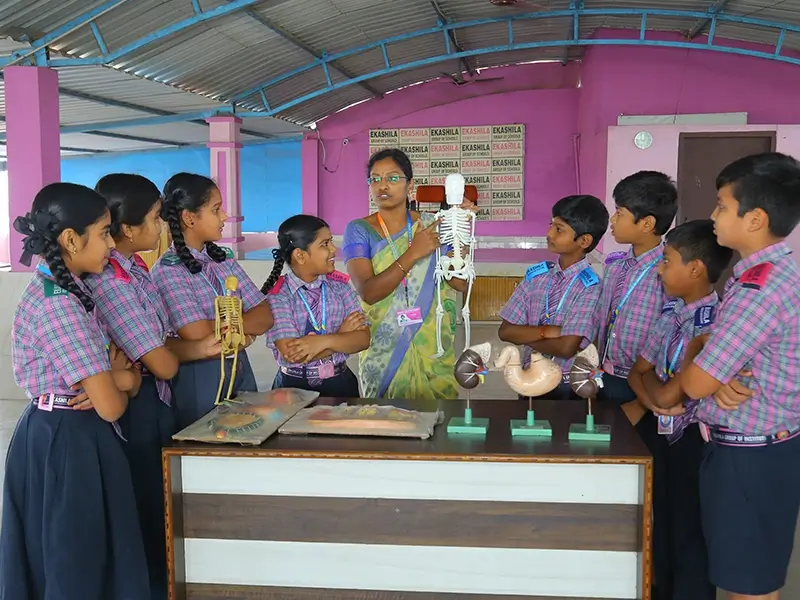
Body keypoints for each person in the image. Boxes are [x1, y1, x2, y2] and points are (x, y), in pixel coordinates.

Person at [0, 183, 150, 599]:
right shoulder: (58, 304)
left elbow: (115, 384)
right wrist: (124, 380)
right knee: (74, 554)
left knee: (89, 549)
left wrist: (122, 379)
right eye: (103, 233)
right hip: (66, 440)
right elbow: (109, 405)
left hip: (75, 433)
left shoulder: (73, 291)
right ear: (70, 239)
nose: (111, 243)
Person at [86, 173, 222, 600]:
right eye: (155, 217)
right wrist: (182, 350)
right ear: (128, 229)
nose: (163, 226)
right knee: (146, 503)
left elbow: (162, 345)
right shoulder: (110, 281)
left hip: (152, 395)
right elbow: (161, 362)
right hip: (137, 405)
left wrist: (187, 348)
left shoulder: (135, 270)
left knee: (162, 503)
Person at [678, 152, 800, 600]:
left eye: (722, 206)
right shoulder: (774, 274)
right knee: (749, 579)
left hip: (750, 460)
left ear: (755, 219)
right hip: (764, 450)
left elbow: (695, 384)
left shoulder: (757, 290)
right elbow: (722, 366)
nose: (713, 216)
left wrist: (699, 350)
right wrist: (717, 367)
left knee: (747, 588)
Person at [628, 219, 732, 600]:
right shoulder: (671, 313)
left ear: (696, 269)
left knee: (691, 534)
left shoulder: (715, 324)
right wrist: (656, 400)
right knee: (660, 524)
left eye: (667, 261)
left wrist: (660, 395)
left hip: (695, 441)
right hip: (660, 433)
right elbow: (639, 372)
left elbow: (674, 390)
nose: (660, 269)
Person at [342, 148, 470, 402]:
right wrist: (414, 252)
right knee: (384, 419)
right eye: (375, 179)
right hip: (384, 344)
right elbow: (368, 292)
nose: (382, 186)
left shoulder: (433, 225)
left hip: (432, 343)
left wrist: (460, 234)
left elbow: (459, 283)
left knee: (439, 419)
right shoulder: (359, 230)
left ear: (410, 184)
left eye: (392, 178)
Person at [152, 173, 273, 429]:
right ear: (189, 218)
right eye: (216, 209)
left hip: (239, 364)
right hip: (199, 374)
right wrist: (242, 328)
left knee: (247, 431)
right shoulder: (168, 269)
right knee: (206, 438)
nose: (225, 217)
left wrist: (227, 327)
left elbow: (264, 316)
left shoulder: (222, 259)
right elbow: (197, 333)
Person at [498, 194, 608, 399]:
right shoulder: (536, 277)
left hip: (569, 386)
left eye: (559, 229)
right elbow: (505, 331)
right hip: (529, 379)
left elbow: (566, 348)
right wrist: (548, 331)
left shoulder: (591, 287)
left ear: (584, 240)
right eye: (551, 225)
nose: (549, 233)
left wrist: (527, 338)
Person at [596, 170, 678, 419]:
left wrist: (641, 406)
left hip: (646, 385)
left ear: (647, 224)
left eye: (619, 213)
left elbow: (672, 336)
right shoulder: (615, 267)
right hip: (605, 378)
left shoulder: (668, 271)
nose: (612, 220)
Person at [262, 215, 370, 397]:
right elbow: (293, 355)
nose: (334, 249)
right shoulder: (279, 295)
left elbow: (363, 339)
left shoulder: (340, 287)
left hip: (340, 383)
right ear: (300, 255)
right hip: (292, 389)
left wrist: (323, 342)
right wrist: (342, 337)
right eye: (325, 244)